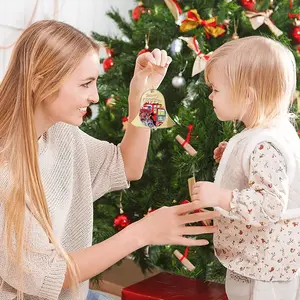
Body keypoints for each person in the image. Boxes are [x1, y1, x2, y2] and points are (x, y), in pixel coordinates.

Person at [0, 20, 219, 300]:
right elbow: (52, 276)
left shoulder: (61, 134)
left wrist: (141, 94)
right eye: (85, 84)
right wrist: (142, 233)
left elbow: (128, 167)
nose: (94, 96)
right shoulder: (6, 169)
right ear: (40, 81)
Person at [191, 36, 300, 300]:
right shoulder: (268, 132)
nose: (210, 95)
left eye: (216, 89)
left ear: (247, 95)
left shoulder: (265, 145)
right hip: (263, 262)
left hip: (263, 273)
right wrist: (232, 152)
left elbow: (270, 205)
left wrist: (221, 197)